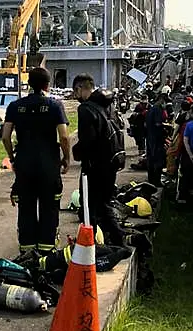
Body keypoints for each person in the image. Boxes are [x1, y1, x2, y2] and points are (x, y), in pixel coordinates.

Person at [2, 67, 70, 255]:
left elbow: (6, 136)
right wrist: (66, 158)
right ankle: (46, 254)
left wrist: (13, 157)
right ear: (48, 84)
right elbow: (64, 137)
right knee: (49, 209)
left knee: (26, 209)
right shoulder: (55, 106)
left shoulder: (15, 106)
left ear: (29, 83)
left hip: (24, 165)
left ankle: (27, 253)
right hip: (49, 165)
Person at [71, 73, 126, 248]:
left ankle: (97, 245)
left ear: (80, 88)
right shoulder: (108, 105)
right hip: (111, 164)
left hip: (94, 167)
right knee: (103, 205)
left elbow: (88, 140)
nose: (74, 96)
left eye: (75, 91)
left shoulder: (86, 109)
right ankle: (112, 241)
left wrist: (77, 151)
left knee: (89, 209)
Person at [145, 93, 168, 186]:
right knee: (158, 160)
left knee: (150, 159)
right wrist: (167, 125)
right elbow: (158, 123)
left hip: (150, 136)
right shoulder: (158, 109)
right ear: (162, 100)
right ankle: (156, 181)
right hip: (157, 138)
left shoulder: (151, 107)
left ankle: (151, 180)